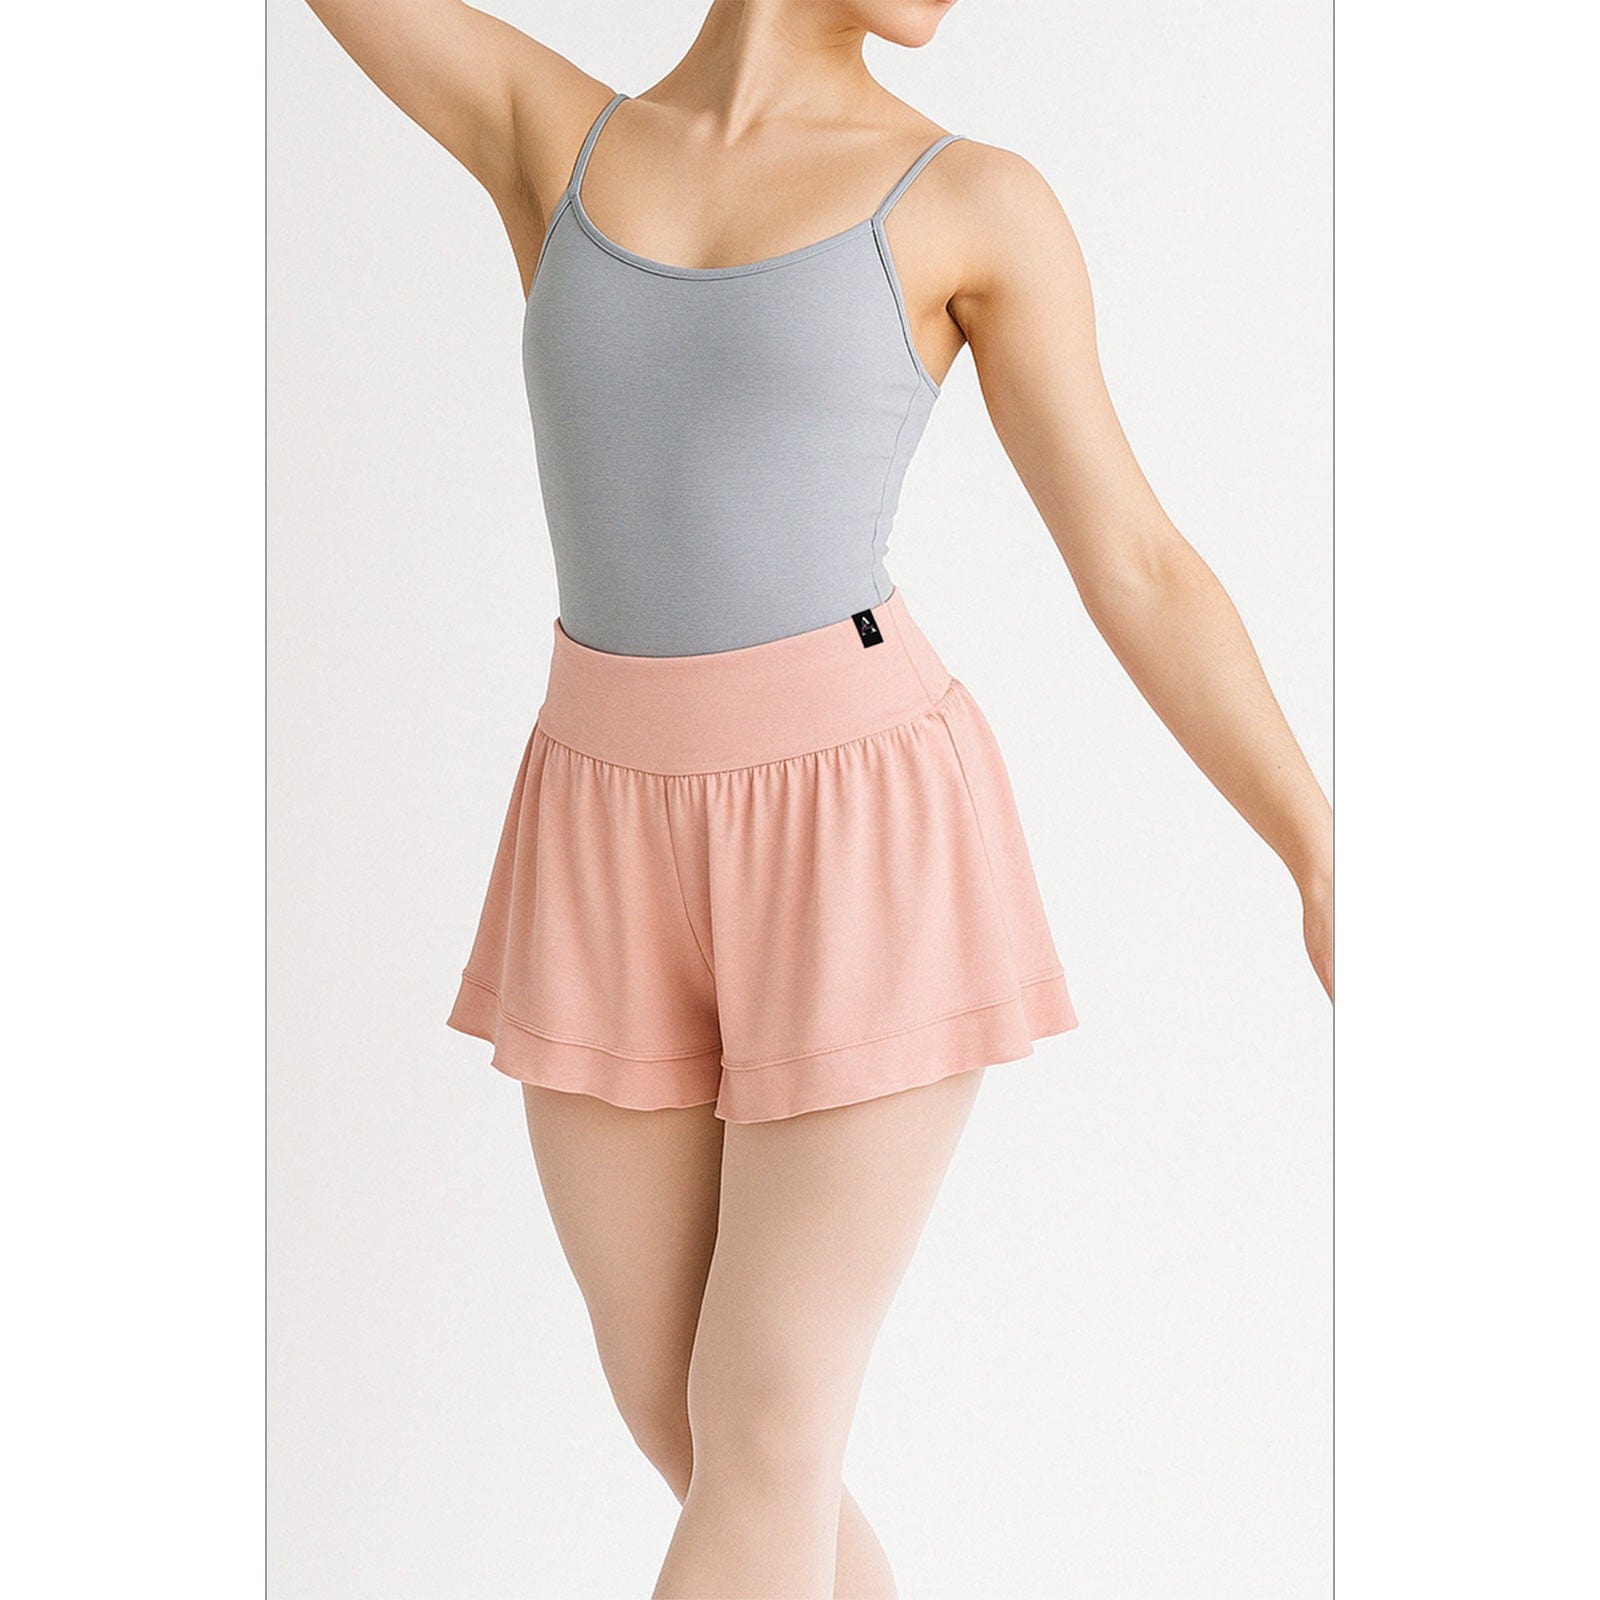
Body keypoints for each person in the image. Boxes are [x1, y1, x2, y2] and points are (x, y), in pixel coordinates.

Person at [303, 2, 1333, 1593]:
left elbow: (1135, 559)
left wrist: (1318, 850)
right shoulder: (554, 134)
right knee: (690, 1424)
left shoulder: (971, 201)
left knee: (767, 1434)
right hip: (597, 825)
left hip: (857, 831)